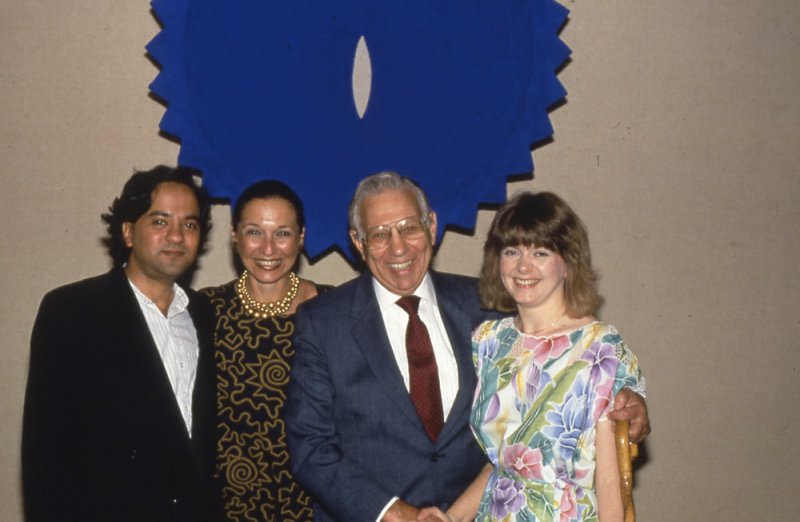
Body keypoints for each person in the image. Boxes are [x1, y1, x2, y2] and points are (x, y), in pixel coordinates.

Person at [285, 172, 650, 522]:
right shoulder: (324, 323)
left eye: (409, 228)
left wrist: (632, 407)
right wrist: (397, 515)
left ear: (431, 226)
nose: (398, 247)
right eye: (380, 234)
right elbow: (310, 448)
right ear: (358, 241)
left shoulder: (485, 310)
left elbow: (593, 396)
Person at [419, 191, 646, 521]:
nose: (523, 266)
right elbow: (504, 465)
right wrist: (452, 517)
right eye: (511, 251)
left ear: (567, 262)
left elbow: (609, 480)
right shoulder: (488, 341)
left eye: (541, 252)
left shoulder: (599, 348)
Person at [22, 166, 221, 521]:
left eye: (189, 224)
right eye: (160, 221)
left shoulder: (204, 314)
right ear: (128, 232)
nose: (176, 235)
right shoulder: (72, 311)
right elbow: (46, 456)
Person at [200, 180, 329, 521]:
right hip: (227, 504)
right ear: (234, 235)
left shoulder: (334, 310)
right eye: (254, 232)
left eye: (282, 233)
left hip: (315, 501)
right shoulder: (203, 311)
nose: (268, 249)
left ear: (301, 238)